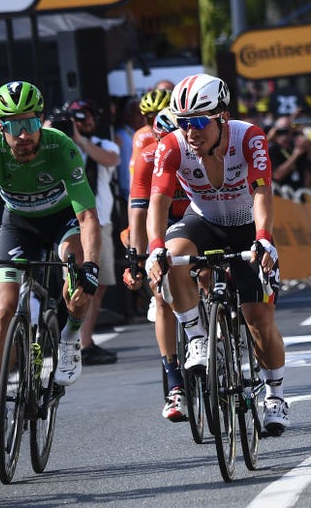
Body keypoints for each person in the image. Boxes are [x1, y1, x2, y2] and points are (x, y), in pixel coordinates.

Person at [0, 81, 103, 447]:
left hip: (63, 221)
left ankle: (70, 337)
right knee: (2, 311)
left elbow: (87, 217)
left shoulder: (62, 148)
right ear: (0, 127)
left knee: (77, 279)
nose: (23, 135)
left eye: (31, 124)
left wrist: (92, 266)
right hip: (17, 224)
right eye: (13, 126)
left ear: (41, 121)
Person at [144, 73, 291, 436]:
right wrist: (154, 249)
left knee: (259, 321)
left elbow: (262, 192)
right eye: (182, 122)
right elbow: (158, 201)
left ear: (222, 117)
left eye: (197, 122)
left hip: (245, 225)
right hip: (203, 220)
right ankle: (197, 336)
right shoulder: (173, 146)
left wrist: (263, 238)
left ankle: (275, 395)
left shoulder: (249, 136)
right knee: (175, 257)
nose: (190, 131)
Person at [125, 107, 193, 422]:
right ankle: (175, 383)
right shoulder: (149, 158)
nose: (169, 150)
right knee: (162, 291)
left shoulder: (200, 154)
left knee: (208, 272)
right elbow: (139, 218)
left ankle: (219, 334)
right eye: (163, 142)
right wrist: (136, 261)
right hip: (164, 220)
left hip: (197, 216)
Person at [56, 99, 123, 366]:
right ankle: (78, 340)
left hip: (100, 220)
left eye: (85, 119)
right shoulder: (56, 145)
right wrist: (58, 133)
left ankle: (85, 338)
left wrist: (80, 140)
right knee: (75, 281)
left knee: (99, 283)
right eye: (75, 119)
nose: (81, 124)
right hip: (70, 223)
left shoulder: (103, 144)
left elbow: (111, 160)